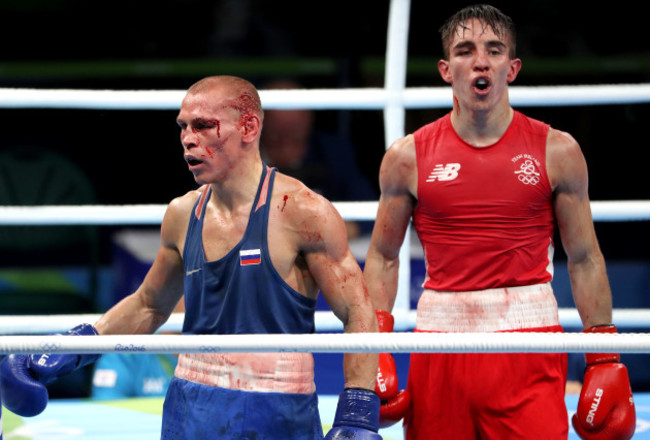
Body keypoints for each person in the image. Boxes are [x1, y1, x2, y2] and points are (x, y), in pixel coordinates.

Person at [0, 75, 382, 440]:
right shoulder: (183, 214)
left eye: (203, 126)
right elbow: (149, 306)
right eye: (183, 127)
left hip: (278, 410)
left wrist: (358, 412)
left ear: (249, 128)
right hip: (191, 405)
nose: (187, 140)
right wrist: (67, 351)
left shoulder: (301, 211)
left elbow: (357, 309)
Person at [362, 5, 636, 440]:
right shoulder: (406, 157)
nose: (481, 61)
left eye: (494, 49)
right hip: (440, 342)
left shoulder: (557, 151)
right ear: (446, 69)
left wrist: (604, 356)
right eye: (465, 50)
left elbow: (584, 258)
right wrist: (372, 346)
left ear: (512, 68)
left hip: (529, 342)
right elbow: (383, 255)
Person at [260, 79, 377, 239]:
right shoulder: (237, 155)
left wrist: (328, 233)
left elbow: (371, 209)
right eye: (276, 137)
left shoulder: (333, 151)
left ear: (308, 121)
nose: (286, 145)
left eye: (295, 136)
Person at [90, 298, 185, 400]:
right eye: (192, 287)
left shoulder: (204, 348)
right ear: (171, 291)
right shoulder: (125, 349)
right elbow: (106, 409)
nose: (201, 298)